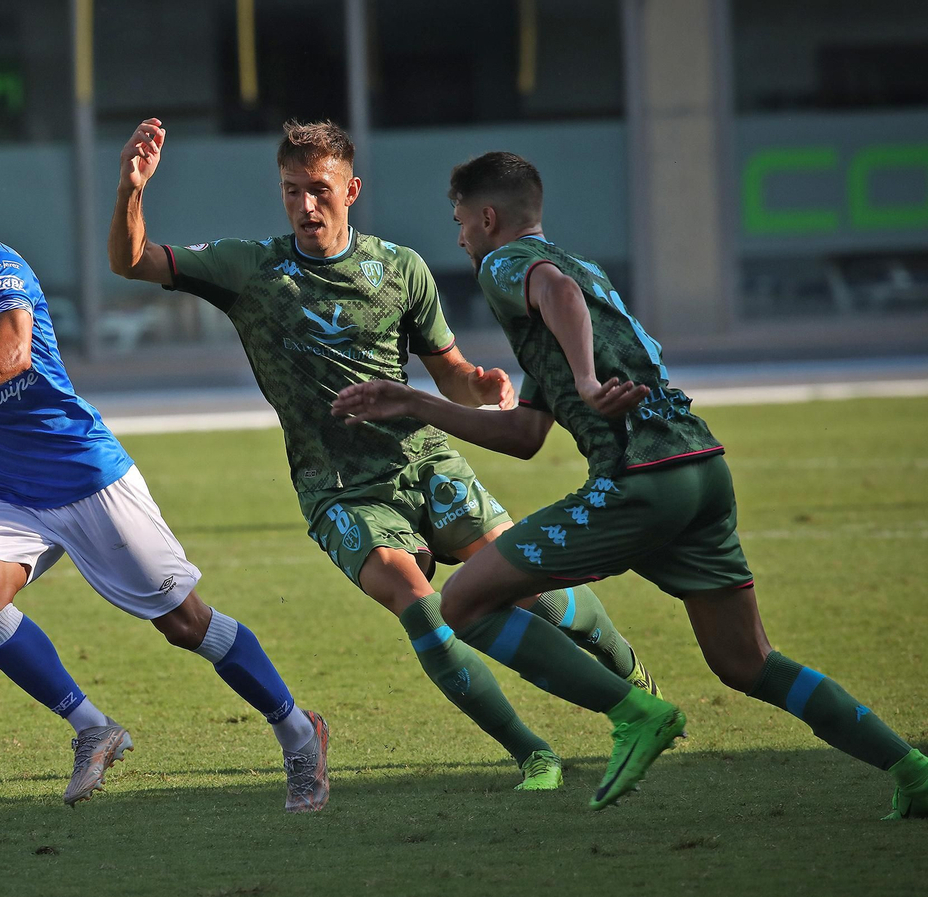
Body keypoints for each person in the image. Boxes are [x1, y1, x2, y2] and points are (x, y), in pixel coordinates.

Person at [332, 150, 928, 817]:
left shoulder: (508, 265)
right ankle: (911, 769)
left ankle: (635, 711)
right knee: (748, 661)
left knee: (464, 601)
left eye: (460, 223)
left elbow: (553, 291)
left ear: (488, 218)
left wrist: (587, 382)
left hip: (642, 480)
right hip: (701, 470)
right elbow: (525, 435)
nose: (461, 239)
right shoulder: (587, 275)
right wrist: (413, 402)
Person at [109, 117, 660, 791]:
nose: (306, 205)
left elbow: (450, 372)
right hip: (341, 489)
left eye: (319, 189)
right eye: (291, 191)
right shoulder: (249, 268)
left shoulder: (401, 268)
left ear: (351, 190)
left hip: (425, 462)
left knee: (528, 585)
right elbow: (131, 260)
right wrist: (132, 189)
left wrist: (482, 384)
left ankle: (634, 678)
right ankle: (533, 754)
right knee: (422, 605)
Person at [0, 148, 330, 813]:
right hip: (9, 491)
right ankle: (93, 728)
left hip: (85, 474)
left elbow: (11, 353)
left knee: (185, 623)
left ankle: (300, 732)